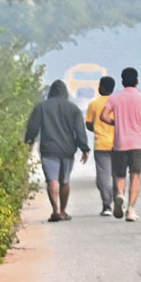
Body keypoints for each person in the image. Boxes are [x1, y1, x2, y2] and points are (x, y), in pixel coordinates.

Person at [24, 79, 91, 222]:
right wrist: (84, 148)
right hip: (67, 150)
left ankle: (56, 209)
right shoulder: (73, 109)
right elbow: (79, 130)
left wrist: (27, 144)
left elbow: (32, 128)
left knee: (52, 180)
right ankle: (64, 211)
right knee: (65, 181)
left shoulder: (41, 107)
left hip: (48, 149)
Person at [100, 67, 141, 222]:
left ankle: (119, 195)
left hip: (120, 142)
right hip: (138, 142)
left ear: (122, 82)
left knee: (120, 174)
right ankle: (130, 210)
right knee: (135, 175)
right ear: (137, 81)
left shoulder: (115, 98)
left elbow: (103, 116)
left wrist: (115, 123)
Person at [84, 76, 117, 216]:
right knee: (118, 174)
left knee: (103, 176)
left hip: (101, 144)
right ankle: (118, 197)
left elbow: (89, 124)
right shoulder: (117, 103)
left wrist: (96, 128)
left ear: (102, 87)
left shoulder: (94, 104)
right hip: (118, 143)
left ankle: (107, 205)